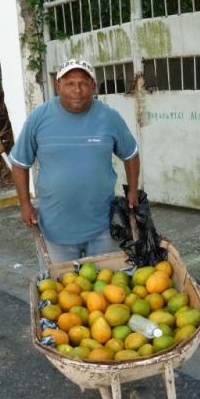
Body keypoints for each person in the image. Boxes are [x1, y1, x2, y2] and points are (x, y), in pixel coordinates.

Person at [9, 58, 140, 267]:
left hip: (103, 228)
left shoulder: (110, 117)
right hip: (55, 229)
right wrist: (24, 203)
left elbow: (131, 154)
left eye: (84, 83)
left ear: (93, 87)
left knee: (108, 292)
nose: (77, 90)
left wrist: (133, 190)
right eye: (70, 83)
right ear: (58, 86)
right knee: (62, 293)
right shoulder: (38, 118)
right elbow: (19, 163)